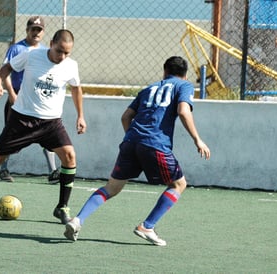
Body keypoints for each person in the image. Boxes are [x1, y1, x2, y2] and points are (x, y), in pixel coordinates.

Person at [64, 56, 210, 246]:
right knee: (178, 184)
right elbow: (183, 111)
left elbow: (126, 117)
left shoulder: (149, 89)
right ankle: (147, 226)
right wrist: (198, 140)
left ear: (164, 71)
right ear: (184, 74)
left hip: (130, 141)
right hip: (155, 143)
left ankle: (77, 220)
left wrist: (134, 140)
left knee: (111, 188)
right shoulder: (184, 86)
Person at [0, 29, 87, 225]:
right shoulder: (32, 55)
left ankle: (62, 207)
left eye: (67, 52)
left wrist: (80, 116)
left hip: (51, 123)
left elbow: (76, 89)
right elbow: (7, 69)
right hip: (22, 118)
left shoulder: (71, 66)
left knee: (69, 156)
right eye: (59, 51)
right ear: (51, 43)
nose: (62, 56)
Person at [0, 16, 60, 184]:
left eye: (39, 30)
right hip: (17, 97)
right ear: (27, 30)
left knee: (47, 132)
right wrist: (10, 93)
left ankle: (53, 171)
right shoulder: (17, 49)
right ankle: (3, 169)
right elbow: (6, 71)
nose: (35, 33)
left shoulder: (46, 51)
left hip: (37, 100)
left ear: (43, 32)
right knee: (11, 133)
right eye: (33, 29)